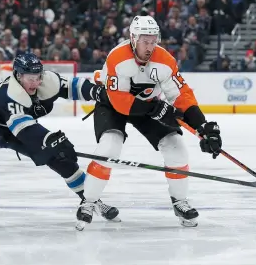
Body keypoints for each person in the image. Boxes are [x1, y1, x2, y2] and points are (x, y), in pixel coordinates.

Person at [77, 15, 223, 228]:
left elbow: (181, 95)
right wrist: (156, 109)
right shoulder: (118, 57)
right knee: (109, 148)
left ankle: (179, 201)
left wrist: (202, 126)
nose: (150, 46)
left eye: (154, 40)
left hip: (148, 105)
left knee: (176, 148)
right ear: (133, 39)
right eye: (145, 40)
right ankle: (88, 202)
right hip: (112, 105)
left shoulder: (164, 60)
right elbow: (119, 101)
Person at [0, 53, 119, 229]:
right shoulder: (7, 95)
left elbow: (72, 86)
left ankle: (91, 200)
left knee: (59, 159)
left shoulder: (48, 81)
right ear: (18, 75)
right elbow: (25, 130)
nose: (35, 82)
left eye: (37, 77)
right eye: (30, 78)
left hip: (20, 127)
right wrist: (52, 141)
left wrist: (96, 91)